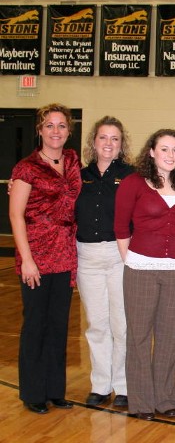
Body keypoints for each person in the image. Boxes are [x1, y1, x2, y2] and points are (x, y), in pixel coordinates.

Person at [114, 129, 175, 421]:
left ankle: (165, 398)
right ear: (151, 152)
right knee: (139, 337)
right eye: (164, 149)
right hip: (140, 269)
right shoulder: (133, 183)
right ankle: (140, 402)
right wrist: (132, 260)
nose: (170, 155)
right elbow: (121, 227)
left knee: (167, 337)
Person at [9, 103, 81, 415]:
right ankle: (33, 392)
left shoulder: (73, 161)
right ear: (39, 130)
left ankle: (54, 390)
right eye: (49, 125)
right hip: (36, 254)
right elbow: (16, 215)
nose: (56, 131)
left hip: (65, 253)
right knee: (35, 324)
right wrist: (26, 260)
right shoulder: (26, 168)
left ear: (69, 131)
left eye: (61, 125)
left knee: (58, 325)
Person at [75, 116, 134, 408]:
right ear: (93, 142)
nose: (108, 143)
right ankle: (100, 384)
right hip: (86, 257)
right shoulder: (79, 175)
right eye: (103, 137)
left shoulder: (132, 176)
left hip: (119, 254)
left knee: (121, 324)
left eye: (115, 138)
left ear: (121, 145)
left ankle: (123, 386)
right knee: (97, 324)